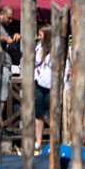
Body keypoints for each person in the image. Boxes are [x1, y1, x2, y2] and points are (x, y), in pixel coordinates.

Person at [33, 25, 53, 154]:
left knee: (53, 114)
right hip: (39, 83)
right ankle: (38, 142)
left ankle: (53, 141)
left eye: (40, 35)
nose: (38, 37)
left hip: (51, 84)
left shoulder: (55, 48)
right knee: (38, 113)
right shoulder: (38, 47)